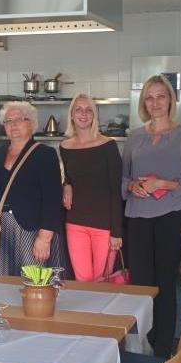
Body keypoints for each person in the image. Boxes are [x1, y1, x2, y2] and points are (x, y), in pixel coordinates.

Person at [122, 75, 181, 358]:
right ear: (144, 103)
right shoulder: (134, 137)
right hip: (137, 218)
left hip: (172, 218)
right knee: (141, 285)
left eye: (161, 96)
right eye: (149, 97)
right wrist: (132, 186)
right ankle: (142, 347)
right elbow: (123, 181)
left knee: (164, 286)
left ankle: (162, 352)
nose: (155, 102)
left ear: (170, 100)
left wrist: (163, 184)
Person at [0, 101, 66, 276]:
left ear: (32, 123)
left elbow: (52, 198)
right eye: (8, 121)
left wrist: (45, 238)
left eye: (19, 119)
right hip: (3, 227)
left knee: (34, 279)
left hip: (33, 228)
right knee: (7, 280)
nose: (13, 125)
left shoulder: (44, 154)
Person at [60, 94, 123, 282]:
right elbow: (67, 177)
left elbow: (116, 190)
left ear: (94, 115)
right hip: (75, 222)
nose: (84, 114)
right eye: (78, 109)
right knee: (82, 281)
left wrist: (116, 232)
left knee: (102, 282)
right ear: (72, 115)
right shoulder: (65, 147)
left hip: (104, 225)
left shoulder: (108, 146)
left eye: (89, 110)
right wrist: (66, 185)